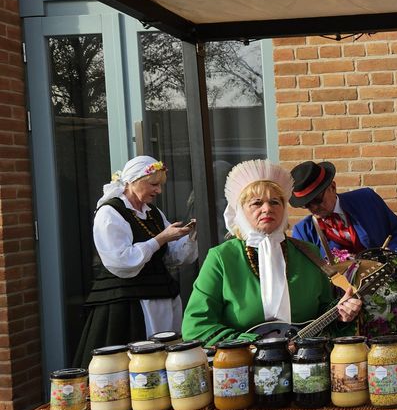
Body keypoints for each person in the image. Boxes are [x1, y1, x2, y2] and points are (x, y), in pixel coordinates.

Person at [182, 159, 361, 344]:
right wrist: (248, 343)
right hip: (243, 365)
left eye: (275, 202)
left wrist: (342, 315)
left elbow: (325, 315)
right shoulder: (222, 258)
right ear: (240, 211)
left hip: (305, 363)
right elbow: (195, 326)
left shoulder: (308, 253)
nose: (267, 208)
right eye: (256, 203)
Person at [75, 155, 197, 367]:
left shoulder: (153, 213)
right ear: (132, 181)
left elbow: (172, 256)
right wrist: (161, 238)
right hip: (129, 304)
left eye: (159, 185)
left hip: (162, 295)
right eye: (153, 184)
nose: (158, 190)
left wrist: (190, 237)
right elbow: (121, 261)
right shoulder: (109, 213)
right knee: (134, 365)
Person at [289, 160, 397, 257]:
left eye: (317, 200)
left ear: (332, 187)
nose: (314, 208)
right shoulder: (303, 231)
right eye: (306, 205)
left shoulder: (367, 200)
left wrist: (391, 252)